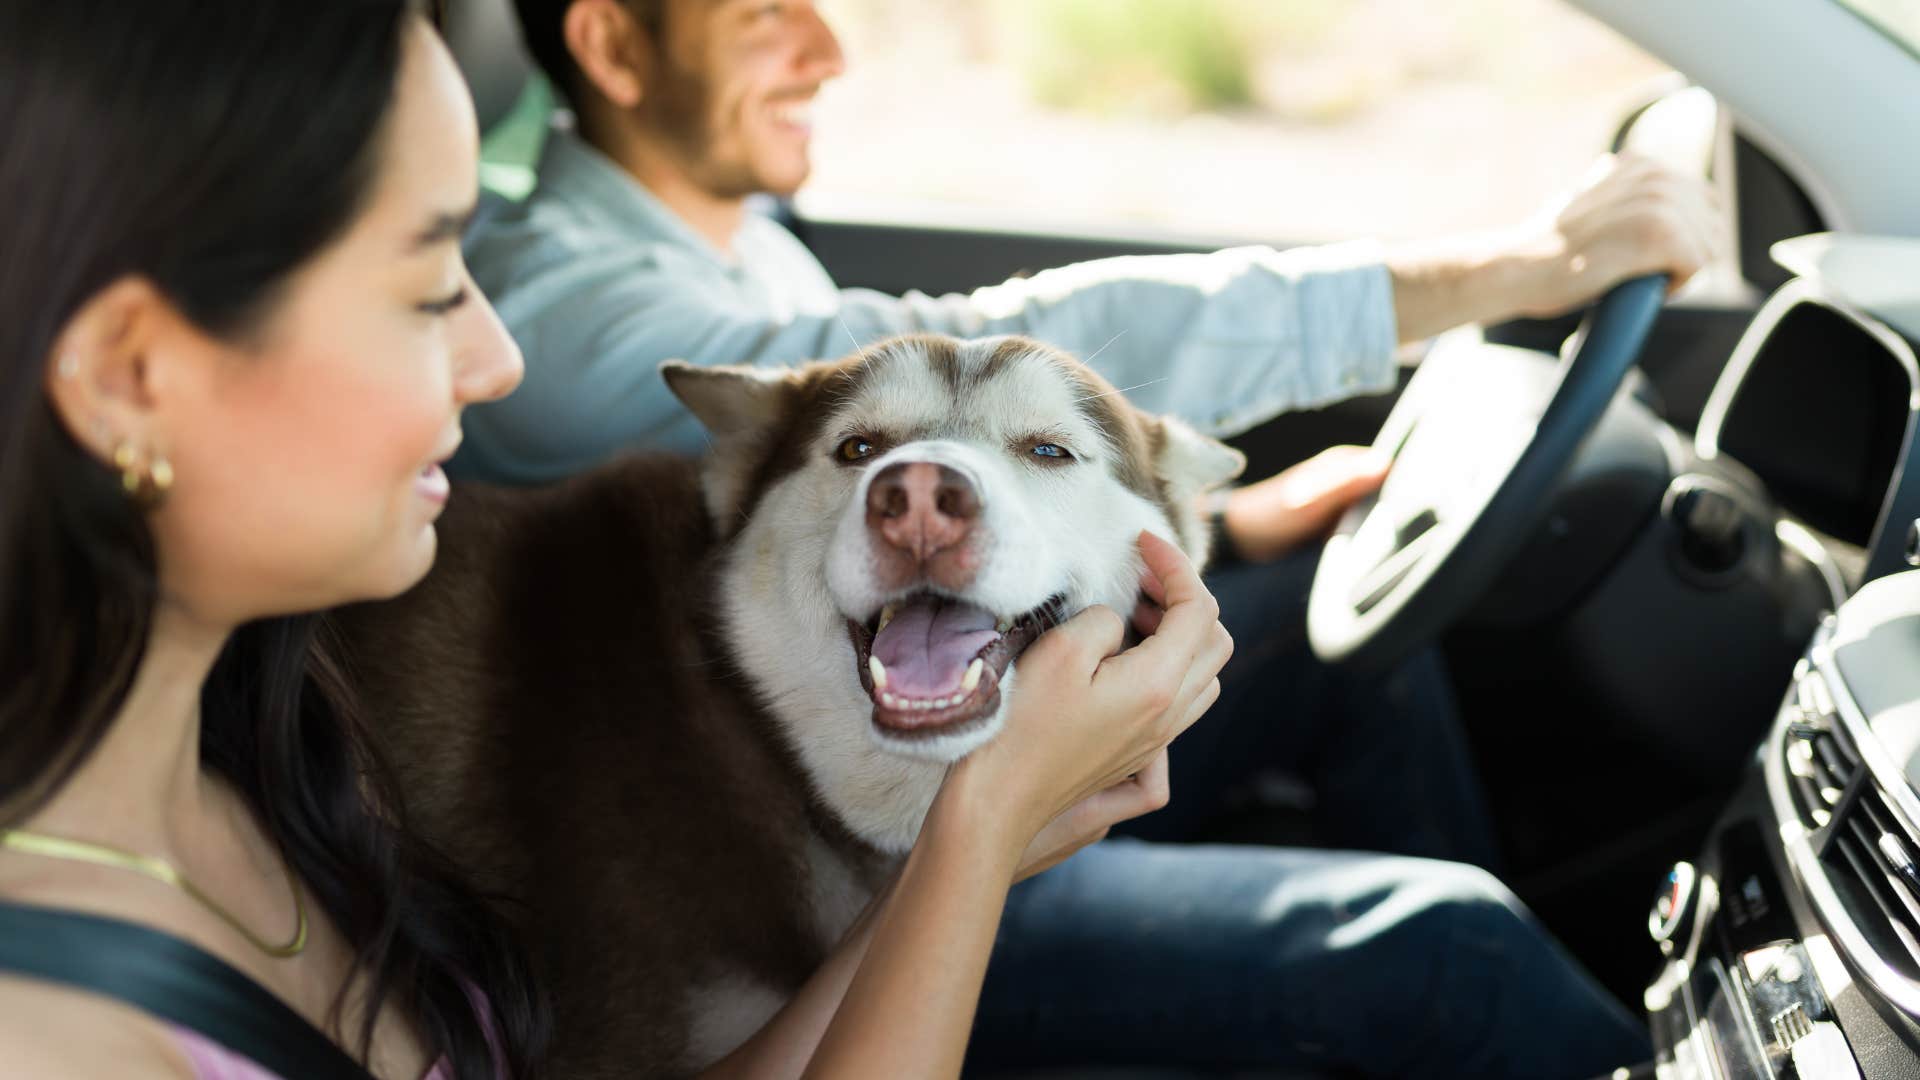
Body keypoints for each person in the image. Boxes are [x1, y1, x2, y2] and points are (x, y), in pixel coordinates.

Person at [452, 0, 1710, 1073]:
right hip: (817, 856)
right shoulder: (561, 321)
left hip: (927, 719)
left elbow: (971, 457)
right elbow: (1010, 342)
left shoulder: (744, 247)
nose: (828, 51)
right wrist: (1510, 269)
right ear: (614, 43)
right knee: (1448, 945)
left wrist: (1228, 523)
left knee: (1349, 645)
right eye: (763, 13)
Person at [0, 2, 1234, 1077]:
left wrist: (982, 828)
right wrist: (983, 826)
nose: (499, 360)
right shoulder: (48, 1032)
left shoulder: (297, 754)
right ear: (129, 374)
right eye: (433, 284)